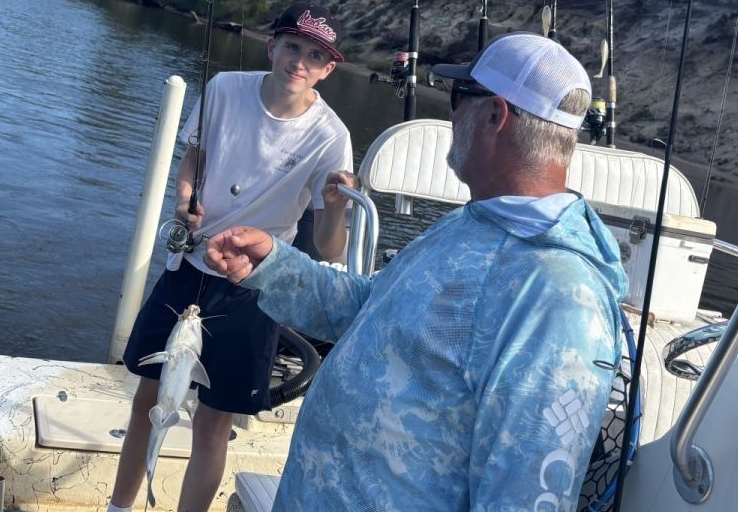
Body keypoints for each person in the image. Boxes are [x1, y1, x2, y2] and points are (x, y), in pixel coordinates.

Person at [206, 31, 629, 511]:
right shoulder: (471, 222)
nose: (451, 115)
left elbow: (526, 496)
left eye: (458, 97)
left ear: (495, 115)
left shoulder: (558, 297)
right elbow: (371, 310)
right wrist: (275, 267)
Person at [108, 2, 355, 512]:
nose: (299, 62)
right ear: (272, 46)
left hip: (255, 291)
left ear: (328, 70)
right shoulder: (224, 88)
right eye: (292, 46)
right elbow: (193, 156)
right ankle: (119, 506)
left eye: (315, 56)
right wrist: (183, 200)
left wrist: (334, 207)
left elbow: (332, 248)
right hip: (188, 270)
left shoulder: (331, 137)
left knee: (213, 425)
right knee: (146, 403)